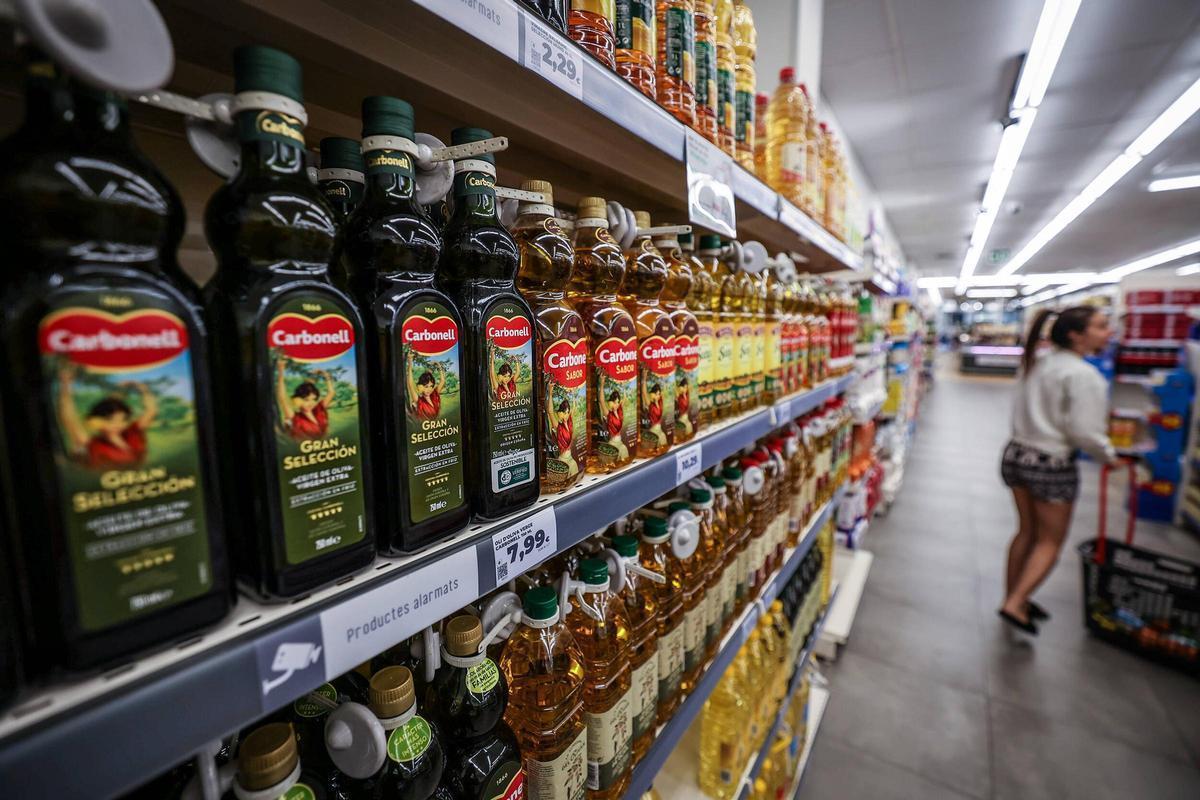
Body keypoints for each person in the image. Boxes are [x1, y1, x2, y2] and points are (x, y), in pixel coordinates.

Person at [999, 306, 1117, 634]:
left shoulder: (1035, 363)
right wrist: (1109, 456)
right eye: (1102, 326)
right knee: (1050, 540)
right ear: (1075, 335)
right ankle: (1016, 601)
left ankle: (1014, 595)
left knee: (1026, 531)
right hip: (1051, 462)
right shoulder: (1083, 375)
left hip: (1016, 454)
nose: (1110, 332)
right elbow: (1085, 432)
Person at [57, 362, 156, 469]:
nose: (117, 425)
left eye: (123, 420)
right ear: (94, 421)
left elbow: (151, 410)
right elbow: (69, 418)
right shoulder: (93, 444)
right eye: (110, 420)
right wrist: (65, 386)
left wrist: (142, 388)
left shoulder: (132, 432)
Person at [277, 359, 335, 440]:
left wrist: (325, 375)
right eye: (306, 400)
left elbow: (331, 392)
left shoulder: (319, 409)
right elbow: (282, 398)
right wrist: (281, 372)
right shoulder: (295, 417)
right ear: (297, 400)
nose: (311, 403)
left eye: (314, 399)